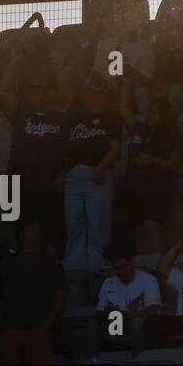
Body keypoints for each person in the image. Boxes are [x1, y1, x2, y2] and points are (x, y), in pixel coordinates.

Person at [1, 67, 69, 253]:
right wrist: (16, 60)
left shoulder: (62, 118)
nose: (41, 93)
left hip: (50, 185)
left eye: (45, 89)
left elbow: (70, 152)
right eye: (36, 90)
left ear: (53, 93)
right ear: (29, 94)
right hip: (20, 183)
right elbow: (3, 91)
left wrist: (63, 176)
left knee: (51, 233)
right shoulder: (20, 115)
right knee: (20, 230)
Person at [63, 77, 124, 264]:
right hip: (74, 176)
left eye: (93, 91)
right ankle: (74, 265)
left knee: (98, 225)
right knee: (74, 223)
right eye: (87, 92)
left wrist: (101, 167)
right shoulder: (75, 114)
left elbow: (116, 148)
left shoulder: (111, 116)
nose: (89, 96)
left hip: (98, 176)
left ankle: (97, 265)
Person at [120, 83, 183, 254]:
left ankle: (157, 267)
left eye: (154, 112)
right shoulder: (142, 130)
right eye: (149, 111)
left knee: (151, 226)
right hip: (134, 189)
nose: (149, 115)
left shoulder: (173, 135)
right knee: (138, 231)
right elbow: (123, 108)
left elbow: (176, 164)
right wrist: (127, 82)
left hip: (157, 189)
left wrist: (151, 160)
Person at [0, 216, 67, 365]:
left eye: (39, 229)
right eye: (32, 228)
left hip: (38, 330)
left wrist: (46, 325)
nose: (37, 231)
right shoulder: (7, 262)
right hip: (10, 330)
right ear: (21, 235)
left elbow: (61, 297)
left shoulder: (51, 263)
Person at [89, 242, 161, 357]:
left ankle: (137, 359)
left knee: (137, 323)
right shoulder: (108, 283)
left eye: (124, 267)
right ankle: (93, 361)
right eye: (116, 268)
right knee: (91, 326)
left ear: (131, 262)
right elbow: (99, 311)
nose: (121, 271)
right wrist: (108, 313)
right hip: (115, 324)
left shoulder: (148, 279)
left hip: (141, 323)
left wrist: (129, 316)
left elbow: (153, 308)